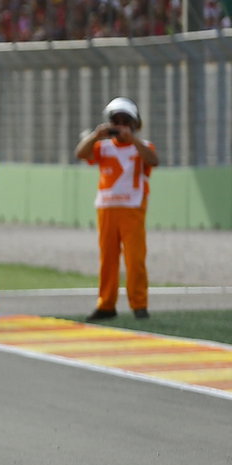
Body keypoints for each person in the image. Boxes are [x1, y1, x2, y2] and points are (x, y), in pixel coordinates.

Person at [74, 96, 158, 321]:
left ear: (134, 124)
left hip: (132, 209)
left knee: (135, 260)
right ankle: (106, 304)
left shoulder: (143, 146)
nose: (120, 125)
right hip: (107, 209)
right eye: (116, 120)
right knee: (108, 260)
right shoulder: (103, 147)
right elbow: (81, 153)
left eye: (125, 121)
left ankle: (139, 305)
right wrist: (95, 135)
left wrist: (134, 140)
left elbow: (153, 160)